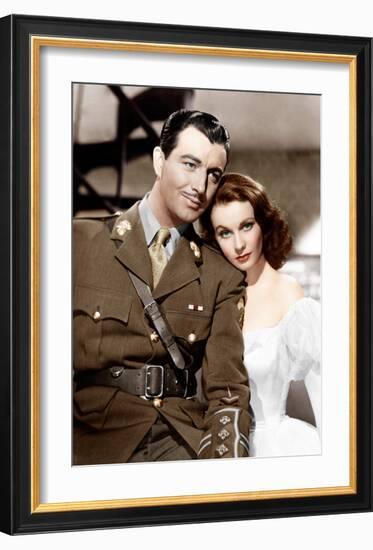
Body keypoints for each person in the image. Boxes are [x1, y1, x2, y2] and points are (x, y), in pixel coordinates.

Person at [73, 110, 251, 465]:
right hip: (92, 439)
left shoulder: (221, 275)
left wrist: (222, 468)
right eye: (189, 164)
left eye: (212, 174)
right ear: (159, 160)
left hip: (180, 442)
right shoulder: (79, 242)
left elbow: (227, 391)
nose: (200, 186)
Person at [202, 172, 321, 458]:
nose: (239, 244)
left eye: (246, 226)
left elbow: (325, 394)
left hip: (279, 450)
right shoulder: (211, 300)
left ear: (263, 225)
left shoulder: (288, 293)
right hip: (220, 450)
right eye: (225, 232)